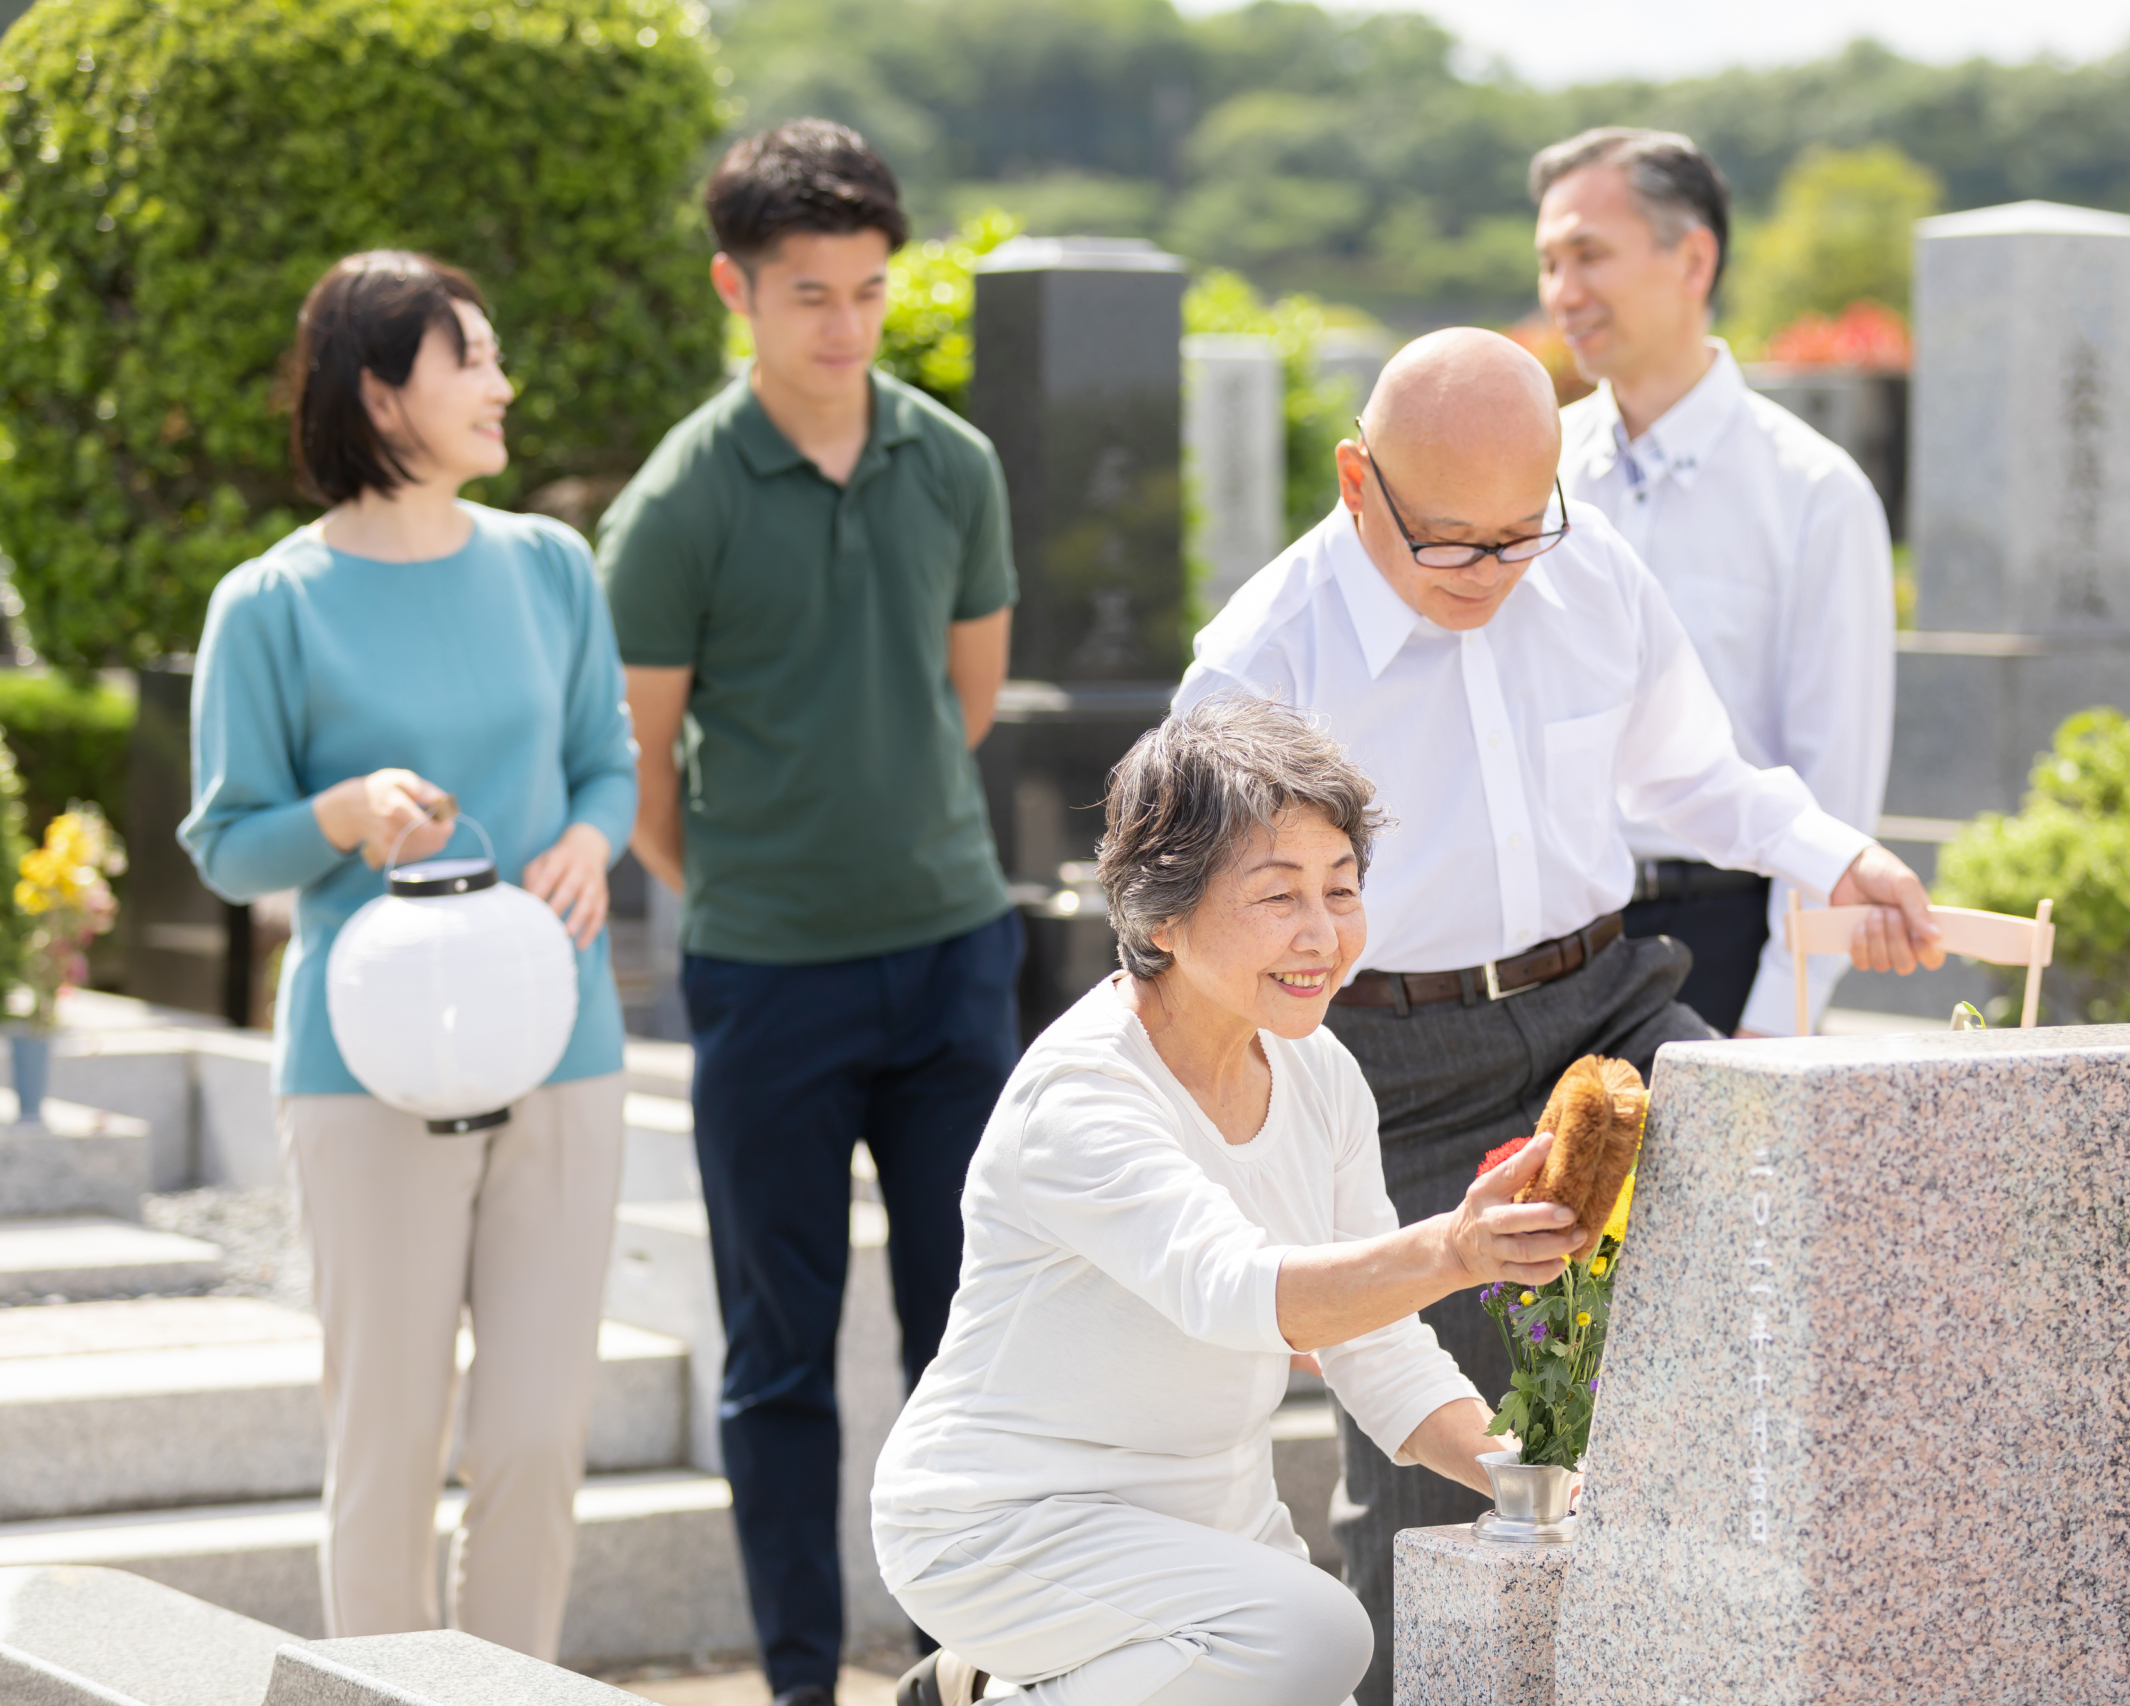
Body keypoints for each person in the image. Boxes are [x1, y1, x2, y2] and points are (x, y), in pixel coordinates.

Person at [1173, 326, 1943, 1701]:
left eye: (1521, 532)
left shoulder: (1585, 569)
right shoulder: (1257, 666)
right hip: (1391, 1066)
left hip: (1606, 1008)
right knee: (1445, 1474)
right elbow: (1190, 948)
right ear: (1359, 483)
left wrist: (1837, 853)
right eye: (1452, 544)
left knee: (1802, 1238)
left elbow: (1700, 775)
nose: (1495, 574)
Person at [872, 696, 1586, 1706]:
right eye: (1277, 894)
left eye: (1340, 889)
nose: (1322, 933)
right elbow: (1237, 1289)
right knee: (1317, 1634)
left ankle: (985, 1688)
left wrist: (1549, 1489)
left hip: (1213, 1526)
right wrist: (1459, 1249)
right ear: (1160, 913)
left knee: (1296, 1653)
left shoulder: (1318, 1066)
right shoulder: (1080, 1094)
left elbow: (1373, 1345)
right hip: (1006, 1520)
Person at [597, 119, 1023, 1706]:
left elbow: (964, 702)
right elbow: (640, 766)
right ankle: (795, 1682)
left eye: (864, 290)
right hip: (768, 978)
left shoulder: (953, 464)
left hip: (954, 961)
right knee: (778, 1358)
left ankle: (954, 1662)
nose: (843, 327)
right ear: (737, 289)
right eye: (806, 295)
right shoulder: (679, 503)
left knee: (966, 1339)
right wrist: (761, 889)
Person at [180, 251, 637, 1661]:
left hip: (564, 1045)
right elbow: (225, 843)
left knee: (536, 1435)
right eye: (471, 360)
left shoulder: (550, 564)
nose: (503, 385)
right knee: (386, 1439)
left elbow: (606, 765)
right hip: (362, 1069)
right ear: (380, 390)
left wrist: (589, 842)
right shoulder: (269, 603)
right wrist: (338, 812)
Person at [1533, 127, 1897, 1039]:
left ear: (1692, 257)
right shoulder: (1532, 471)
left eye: (1588, 255)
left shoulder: (1813, 495)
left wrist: (1781, 1016)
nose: (1561, 293)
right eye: (1547, 263)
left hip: (1721, 948)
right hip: (1540, 946)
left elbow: (1834, 780)